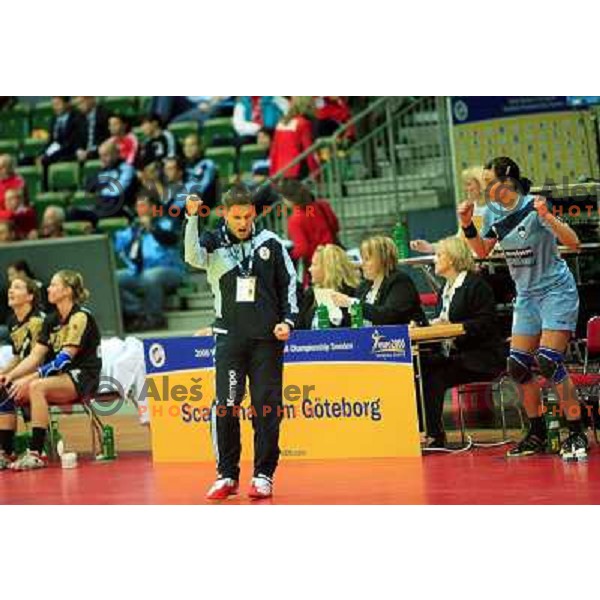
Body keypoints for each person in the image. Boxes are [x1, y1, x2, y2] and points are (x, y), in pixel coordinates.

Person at [460, 156, 586, 461]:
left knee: (548, 361)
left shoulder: (535, 205)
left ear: (507, 180)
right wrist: (467, 225)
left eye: (490, 181)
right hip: (527, 296)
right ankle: (537, 433)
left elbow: (574, 243)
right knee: (517, 367)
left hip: (556, 290)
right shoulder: (491, 214)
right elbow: (481, 252)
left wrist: (549, 218)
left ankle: (576, 431)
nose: (486, 187)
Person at [184, 184, 298, 500]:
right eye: (237, 217)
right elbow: (192, 256)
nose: (243, 222)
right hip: (229, 340)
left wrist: (287, 321)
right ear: (225, 215)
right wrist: (192, 219)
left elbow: (290, 285)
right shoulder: (213, 241)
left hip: (266, 342)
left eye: (248, 216)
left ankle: (263, 475)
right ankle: (226, 475)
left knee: (265, 409)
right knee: (226, 407)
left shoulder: (271, 244)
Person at [2, 270, 101, 470]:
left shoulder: (80, 317)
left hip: (82, 376)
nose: (48, 288)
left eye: (54, 285)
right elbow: (35, 356)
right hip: (60, 377)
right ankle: (5, 452)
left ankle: (36, 453)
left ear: (67, 291)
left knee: (37, 387)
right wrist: (9, 375)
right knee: (5, 386)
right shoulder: (51, 320)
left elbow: (64, 359)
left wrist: (29, 379)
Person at [419, 237, 506, 448]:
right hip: (456, 354)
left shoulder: (475, 285)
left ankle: (434, 435)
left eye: (439, 255)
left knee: (433, 375)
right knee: (420, 368)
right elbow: (444, 321)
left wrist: (456, 327)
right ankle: (423, 430)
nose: (435, 260)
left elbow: (486, 323)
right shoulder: (445, 289)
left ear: (453, 258)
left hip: (481, 356)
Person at [115, 192, 185, 331]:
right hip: (141, 272)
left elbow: (171, 239)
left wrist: (152, 227)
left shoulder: (168, 222)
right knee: (114, 279)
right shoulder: (135, 228)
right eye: (137, 206)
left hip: (170, 271)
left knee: (151, 276)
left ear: (153, 208)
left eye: (142, 205)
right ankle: (139, 312)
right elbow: (120, 248)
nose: (138, 209)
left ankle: (154, 318)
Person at [331, 236, 427, 326]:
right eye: (362, 259)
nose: (362, 264)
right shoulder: (364, 286)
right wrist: (338, 316)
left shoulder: (400, 281)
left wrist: (351, 303)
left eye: (367, 259)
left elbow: (387, 317)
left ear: (383, 259)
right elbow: (353, 321)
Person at [0, 277, 45, 469]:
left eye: (17, 288)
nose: (11, 291)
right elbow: (18, 357)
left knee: (7, 388)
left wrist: (12, 377)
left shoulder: (37, 322)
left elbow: (38, 358)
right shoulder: (12, 322)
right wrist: (3, 371)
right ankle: (6, 452)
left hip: (43, 372)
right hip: (24, 372)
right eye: (11, 287)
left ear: (30, 296)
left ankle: (9, 451)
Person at [411, 166, 486, 255]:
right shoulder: (471, 210)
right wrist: (430, 247)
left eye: (469, 184)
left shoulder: (494, 210)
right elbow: (459, 243)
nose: (465, 189)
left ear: (481, 185)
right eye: (465, 185)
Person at [280, 178, 340, 288]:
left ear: (289, 200)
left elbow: (302, 249)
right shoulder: (322, 206)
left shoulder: (296, 219)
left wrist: (288, 256)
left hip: (318, 265)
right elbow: (335, 226)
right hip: (335, 257)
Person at [74, 140, 137, 227]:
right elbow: (88, 186)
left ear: (116, 154)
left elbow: (118, 190)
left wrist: (101, 190)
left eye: (106, 155)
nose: (102, 159)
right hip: (101, 208)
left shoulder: (126, 168)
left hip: (119, 207)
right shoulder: (102, 170)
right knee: (73, 213)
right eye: (101, 156)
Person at [297, 244, 360, 330]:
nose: (310, 269)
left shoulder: (352, 294)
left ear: (328, 268)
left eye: (314, 264)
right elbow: (300, 326)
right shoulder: (311, 295)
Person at [40, 97, 85, 190]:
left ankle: (46, 189)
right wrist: (42, 153)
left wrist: (49, 155)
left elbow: (72, 141)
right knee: (27, 160)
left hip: (69, 151)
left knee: (45, 160)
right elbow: (50, 141)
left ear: (67, 104)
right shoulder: (54, 119)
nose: (55, 108)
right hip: (55, 150)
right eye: (53, 105)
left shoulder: (76, 117)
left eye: (58, 104)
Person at [270, 97, 319, 179]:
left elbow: (273, 152)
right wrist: (316, 173)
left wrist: (272, 174)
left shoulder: (280, 124)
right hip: (297, 171)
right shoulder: (303, 123)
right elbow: (309, 151)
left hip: (280, 172)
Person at [183, 134, 218, 208]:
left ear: (200, 147)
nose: (188, 148)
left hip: (203, 203)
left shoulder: (208, 164)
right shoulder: (183, 165)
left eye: (192, 145)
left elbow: (203, 187)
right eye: (185, 145)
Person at [74, 96, 110, 162]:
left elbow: (106, 138)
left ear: (91, 99)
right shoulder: (79, 118)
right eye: (78, 104)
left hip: (100, 151)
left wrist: (91, 152)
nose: (79, 107)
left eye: (81, 102)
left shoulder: (104, 114)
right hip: (84, 154)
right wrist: (79, 150)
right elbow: (77, 139)